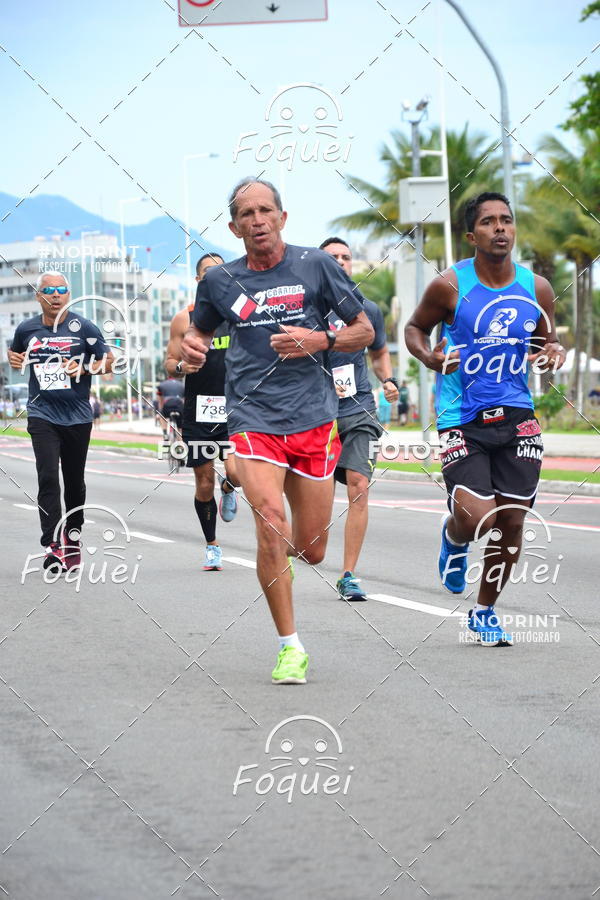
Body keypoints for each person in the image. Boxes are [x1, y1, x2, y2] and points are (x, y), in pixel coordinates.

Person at [181, 178, 374, 684]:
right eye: (246, 213)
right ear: (234, 226)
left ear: (283, 218)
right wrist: (195, 348)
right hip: (252, 418)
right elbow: (199, 331)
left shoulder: (316, 265)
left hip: (312, 418)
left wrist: (322, 338)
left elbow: (364, 330)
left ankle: (280, 552)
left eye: (266, 210)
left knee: (310, 548)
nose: (257, 220)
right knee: (269, 521)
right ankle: (290, 647)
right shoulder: (220, 281)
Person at [405, 191, 566, 646]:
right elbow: (414, 328)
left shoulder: (537, 288)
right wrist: (431, 358)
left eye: (507, 220)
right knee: (479, 520)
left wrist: (552, 350)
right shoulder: (449, 286)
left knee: (512, 520)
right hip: (462, 415)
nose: (500, 228)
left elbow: (544, 340)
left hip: (517, 414)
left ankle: (483, 611)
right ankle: (455, 538)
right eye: (490, 221)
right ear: (471, 235)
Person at [8, 271, 114, 571]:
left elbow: (109, 360)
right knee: (47, 477)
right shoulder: (27, 328)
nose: (55, 294)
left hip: (77, 416)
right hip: (42, 414)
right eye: (49, 289)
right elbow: (15, 355)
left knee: (74, 483)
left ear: (69, 294)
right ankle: (52, 544)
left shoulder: (84, 327)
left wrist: (82, 367)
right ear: (38, 295)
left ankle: (73, 537)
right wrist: (13, 359)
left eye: (62, 289)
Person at [319, 237, 399, 601]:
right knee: (313, 499)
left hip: (359, 408)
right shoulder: (305, 309)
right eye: (332, 257)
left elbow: (380, 352)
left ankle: (349, 574)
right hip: (314, 414)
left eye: (346, 257)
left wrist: (388, 380)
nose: (340, 261)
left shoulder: (368, 309)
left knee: (358, 486)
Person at [165, 252, 239, 572]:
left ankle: (230, 487)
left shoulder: (240, 315)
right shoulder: (186, 319)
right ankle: (212, 546)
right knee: (203, 481)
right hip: (200, 410)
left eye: (222, 271)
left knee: (238, 471)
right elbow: (169, 366)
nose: (217, 276)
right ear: (199, 280)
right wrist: (183, 366)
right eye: (210, 272)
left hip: (237, 407)